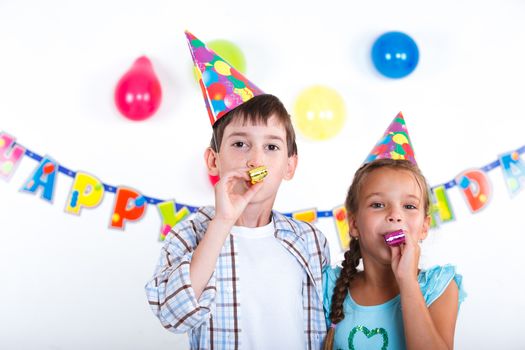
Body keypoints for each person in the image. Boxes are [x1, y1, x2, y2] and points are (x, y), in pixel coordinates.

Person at [145, 31, 330, 350]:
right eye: (240, 144)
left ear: (290, 166)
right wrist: (222, 221)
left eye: (271, 146)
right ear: (213, 161)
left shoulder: (310, 241)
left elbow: (326, 325)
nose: (255, 158)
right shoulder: (189, 234)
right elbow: (172, 315)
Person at [323, 114, 466, 350]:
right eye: (378, 205)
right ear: (354, 224)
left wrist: (407, 281)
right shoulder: (328, 286)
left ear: (423, 227)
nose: (395, 215)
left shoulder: (438, 287)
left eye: (409, 206)